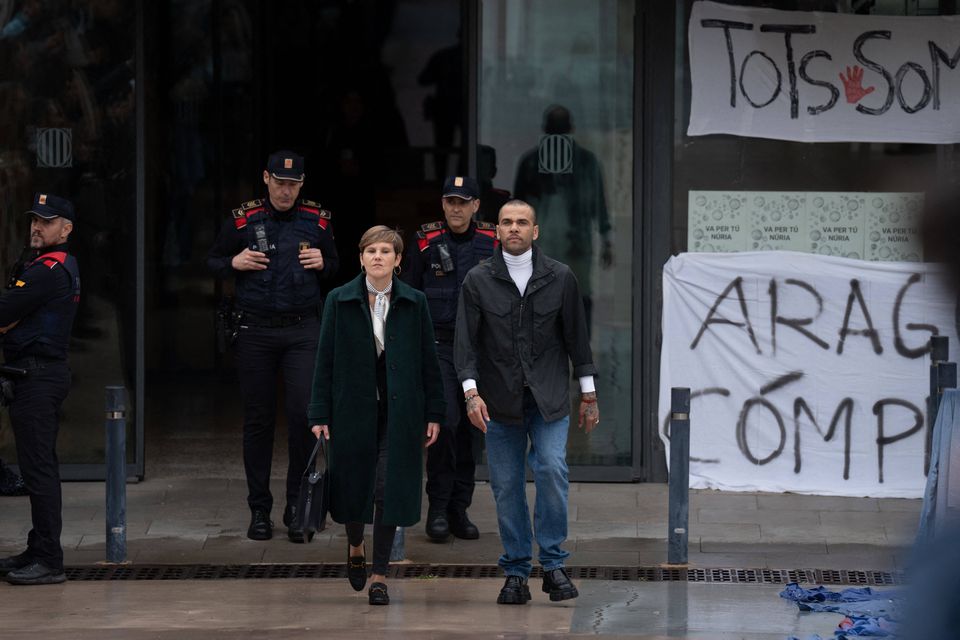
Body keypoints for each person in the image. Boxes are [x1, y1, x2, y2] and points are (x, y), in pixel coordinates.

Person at [454, 199, 600, 605]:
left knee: (552, 468)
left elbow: (577, 339)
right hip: (499, 400)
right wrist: (471, 394)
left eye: (522, 222)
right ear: (496, 230)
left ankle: (553, 565)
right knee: (506, 486)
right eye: (506, 222)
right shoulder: (477, 280)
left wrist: (588, 393)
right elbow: (465, 345)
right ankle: (516, 571)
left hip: (548, 397)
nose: (514, 228)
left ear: (535, 231)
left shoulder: (561, 277)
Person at [206, 150, 339, 543]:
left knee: (303, 417)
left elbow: (336, 265)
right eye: (279, 183)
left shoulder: (317, 221)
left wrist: (323, 262)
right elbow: (211, 261)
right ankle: (259, 509)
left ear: (302, 184)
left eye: (293, 184)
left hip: (302, 330)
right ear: (265, 179)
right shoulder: (242, 219)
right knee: (258, 420)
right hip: (255, 330)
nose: (285, 190)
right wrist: (234, 262)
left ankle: (298, 505)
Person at [309, 226, 444, 606]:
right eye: (372, 251)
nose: (379, 257)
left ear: (398, 260)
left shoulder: (415, 301)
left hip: (399, 412)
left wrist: (435, 410)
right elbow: (324, 361)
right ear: (361, 257)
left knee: (387, 489)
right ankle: (355, 545)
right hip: (351, 411)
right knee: (354, 488)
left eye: (386, 251)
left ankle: (380, 575)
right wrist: (319, 412)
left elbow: (428, 363)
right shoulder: (339, 299)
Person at [401, 175, 496, 543]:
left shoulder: (493, 242)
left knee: (473, 430)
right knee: (445, 425)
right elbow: (407, 293)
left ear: (475, 206)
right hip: (438, 346)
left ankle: (460, 508)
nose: (456, 208)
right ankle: (438, 508)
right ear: (443, 205)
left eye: (463, 202)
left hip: (479, 351)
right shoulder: (425, 241)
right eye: (450, 201)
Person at [0, 192, 80, 585]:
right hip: (33, 374)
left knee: (40, 471)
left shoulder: (47, 269)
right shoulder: (41, 265)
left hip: (38, 376)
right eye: (34, 219)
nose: (37, 226)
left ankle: (49, 559)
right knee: (36, 469)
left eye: (47, 222)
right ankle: (37, 548)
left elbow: (2, 315)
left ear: (65, 230)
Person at [513, 105, 613, 333]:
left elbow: (599, 204)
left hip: (573, 241)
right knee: (547, 294)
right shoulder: (532, 162)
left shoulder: (586, 162)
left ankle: (579, 352)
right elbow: (516, 210)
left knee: (577, 293)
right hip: (544, 242)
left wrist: (607, 239)